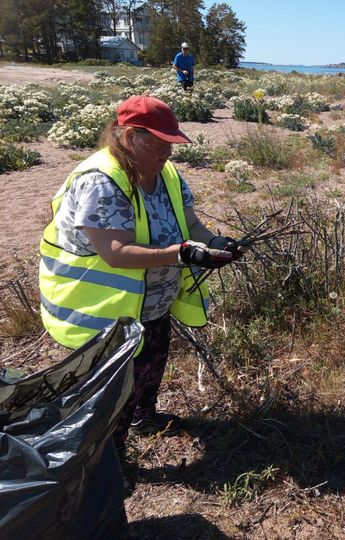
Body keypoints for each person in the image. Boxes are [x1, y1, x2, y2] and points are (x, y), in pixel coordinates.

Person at [39, 95, 243, 456]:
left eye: (172, 142)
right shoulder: (101, 181)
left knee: (150, 365)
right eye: (160, 142)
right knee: (109, 398)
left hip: (150, 306)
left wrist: (215, 243)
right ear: (130, 137)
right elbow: (115, 252)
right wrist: (180, 254)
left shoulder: (166, 174)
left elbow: (190, 222)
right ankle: (109, 466)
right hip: (104, 316)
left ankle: (144, 417)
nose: (169, 151)